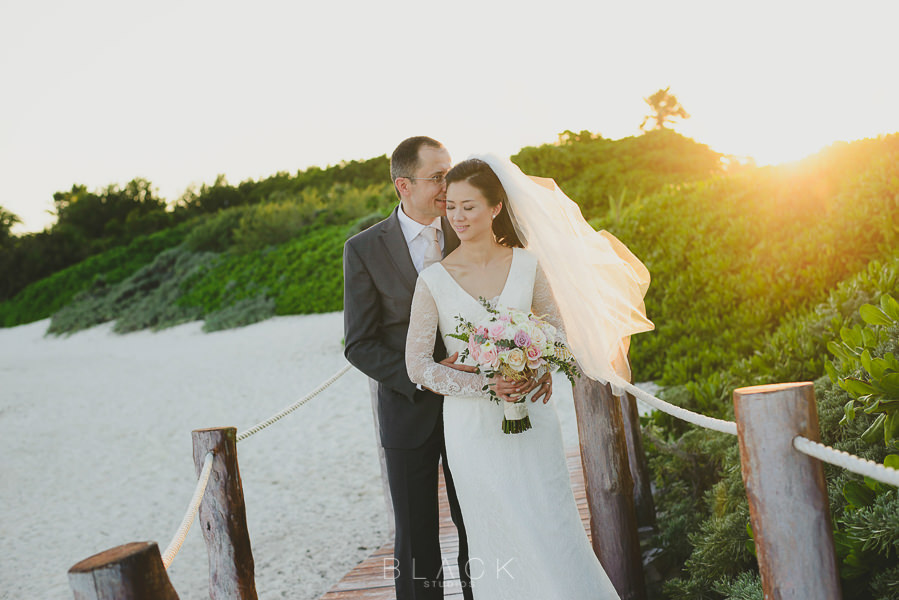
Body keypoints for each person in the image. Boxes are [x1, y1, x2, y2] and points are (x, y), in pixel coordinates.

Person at [405, 156, 653, 599]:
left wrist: (537, 364)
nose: (458, 217)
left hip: (534, 419)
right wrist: (486, 385)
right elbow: (418, 365)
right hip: (471, 430)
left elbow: (557, 329)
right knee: (495, 527)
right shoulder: (433, 279)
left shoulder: (528, 264)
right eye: (453, 207)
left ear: (497, 208)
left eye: (470, 207)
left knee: (550, 519)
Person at [345, 137, 537, 599]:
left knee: (478, 523)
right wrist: (423, 374)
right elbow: (359, 344)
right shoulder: (364, 249)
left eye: (448, 175)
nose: (446, 187)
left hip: (475, 413)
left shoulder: (469, 229)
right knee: (415, 541)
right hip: (408, 412)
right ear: (403, 186)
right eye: (436, 178)